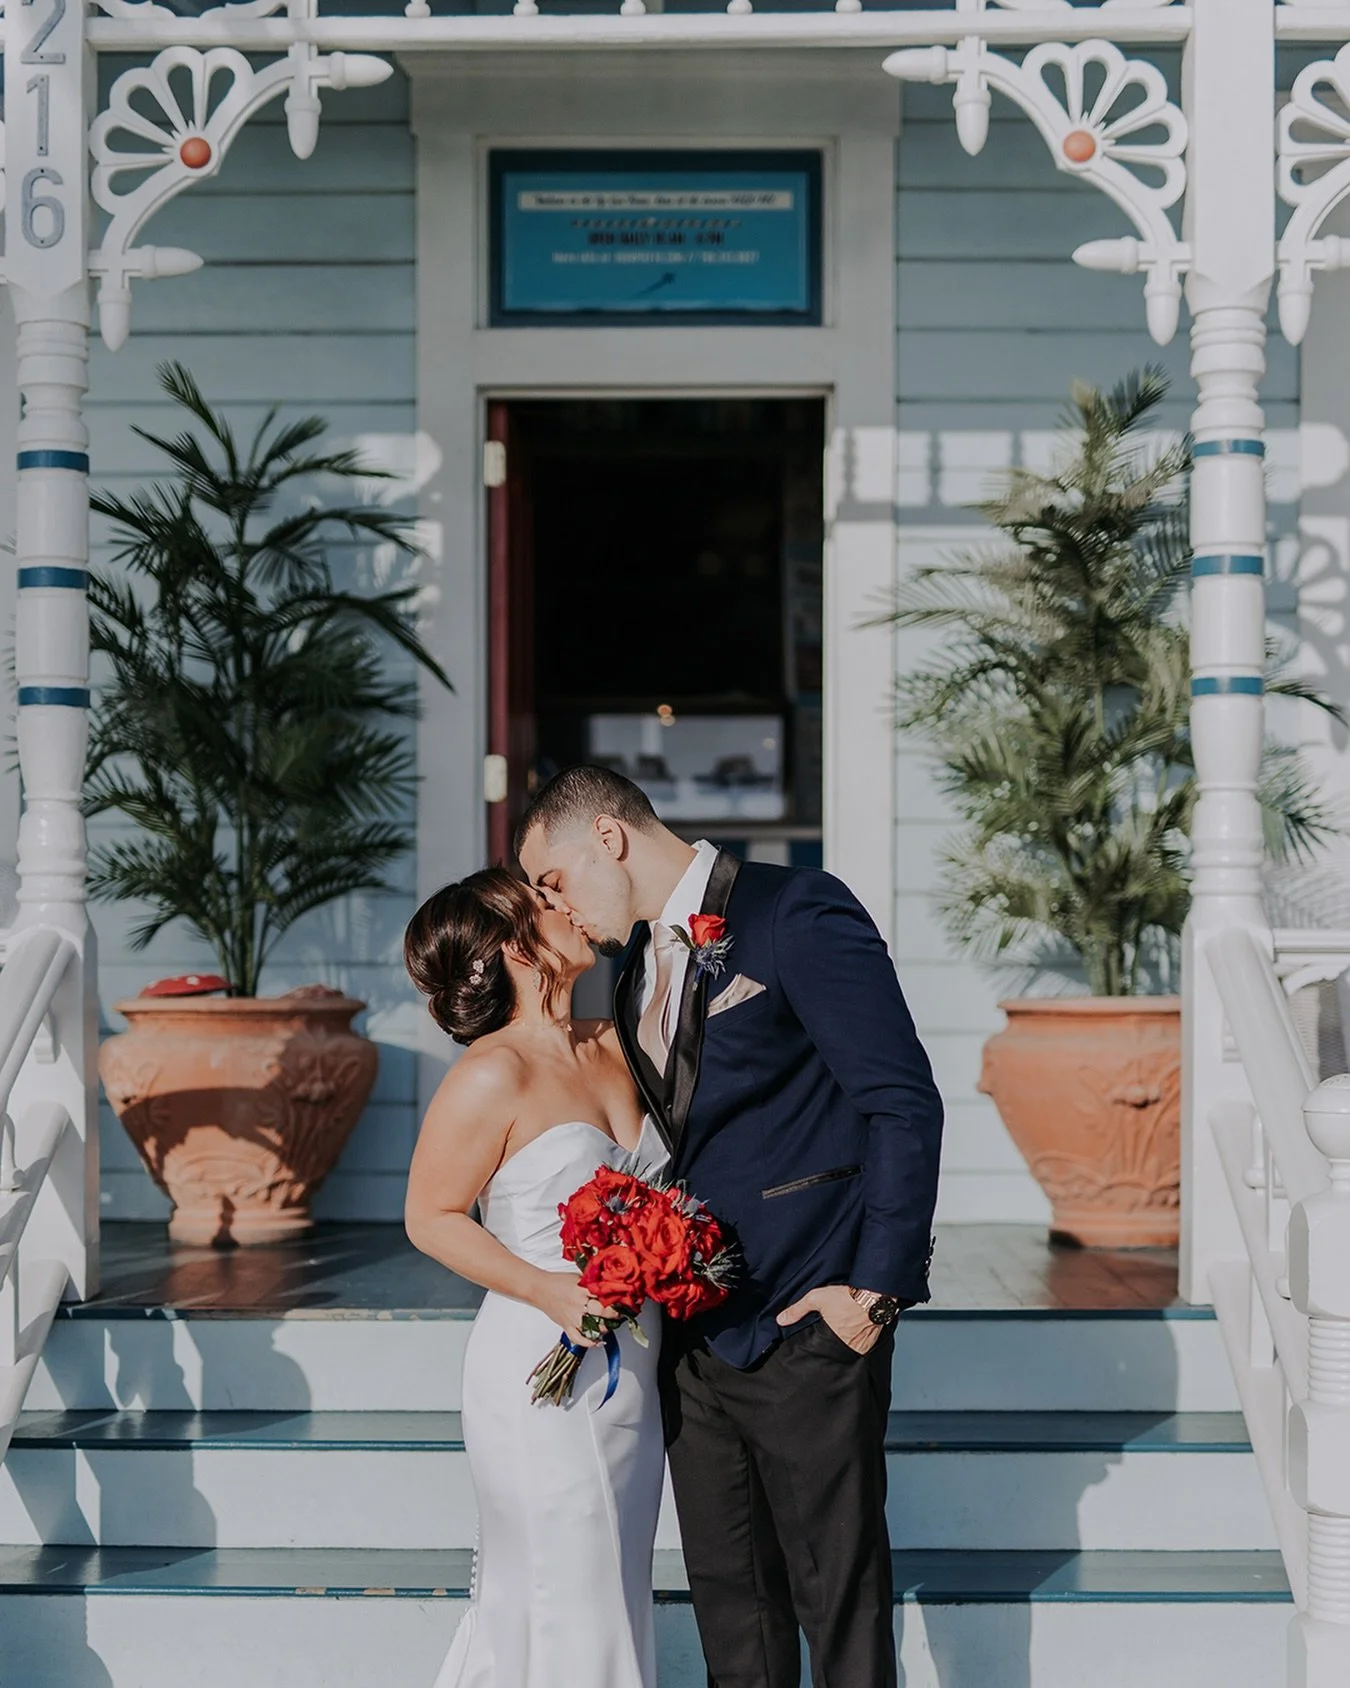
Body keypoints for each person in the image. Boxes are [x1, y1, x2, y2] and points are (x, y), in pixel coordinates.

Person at [517, 765, 944, 1688]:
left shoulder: (796, 911)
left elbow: (902, 1102)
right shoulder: (633, 968)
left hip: (807, 1319)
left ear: (609, 838)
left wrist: (874, 1292)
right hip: (692, 1337)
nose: (555, 908)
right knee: (732, 1617)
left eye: (553, 881)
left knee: (840, 1610)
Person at [403, 867, 667, 1688]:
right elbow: (430, 1216)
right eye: (547, 904)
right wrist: (547, 1288)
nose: (570, 908)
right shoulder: (493, 1072)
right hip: (542, 1363)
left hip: (636, 1365)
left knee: (614, 1587)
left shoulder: (614, 1043)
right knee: (564, 1592)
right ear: (515, 947)